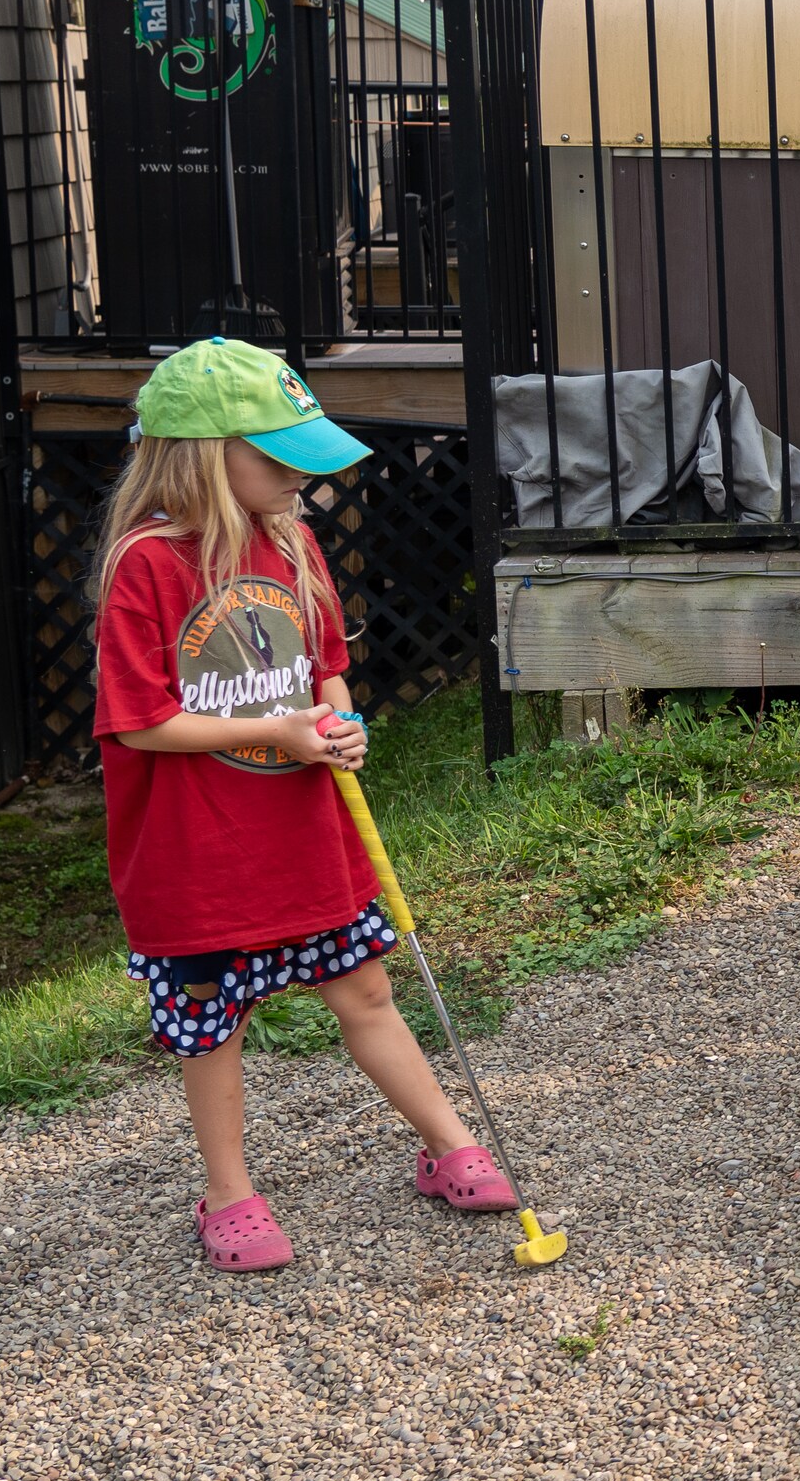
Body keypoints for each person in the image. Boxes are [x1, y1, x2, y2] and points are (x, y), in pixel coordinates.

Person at [91, 338, 513, 1271]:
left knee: (365, 987)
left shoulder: (290, 540)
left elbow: (323, 665)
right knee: (212, 1022)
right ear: (205, 454)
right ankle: (231, 1196)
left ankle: (454, 1145)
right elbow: (136, 724)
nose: (300, 480)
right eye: (280, 460)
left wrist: (338, 722)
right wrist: (280, 734)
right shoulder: (148, 567)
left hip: (302, 833)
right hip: (194, 854)